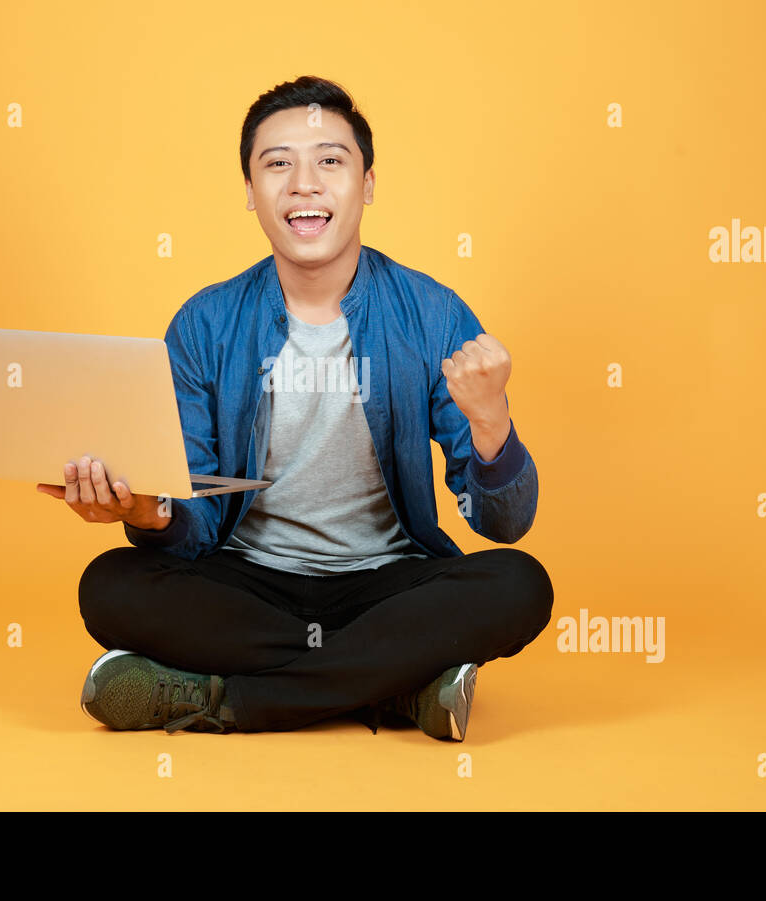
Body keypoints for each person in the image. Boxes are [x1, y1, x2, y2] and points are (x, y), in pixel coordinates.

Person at [37, 76, 553, 741]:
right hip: (250, 587)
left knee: (521, 584)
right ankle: (396, 686)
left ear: (367, 183)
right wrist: (142, 508)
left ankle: (226, 703)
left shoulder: (432, 313)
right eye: (277, 163)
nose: (304, 183)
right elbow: (191, 521)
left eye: (330, 160)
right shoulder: (205, 323)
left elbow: (506, 524)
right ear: (250, 192)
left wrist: (491, 422)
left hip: (388, 588)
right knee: (108, 584)